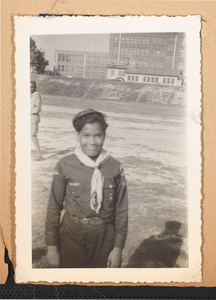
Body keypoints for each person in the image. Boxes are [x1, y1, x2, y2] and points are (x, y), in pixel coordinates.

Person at [45, 109, 128, 268]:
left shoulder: (115, 166)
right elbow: (53, 207)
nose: (92, 142)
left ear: (104, 136)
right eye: (86, 135)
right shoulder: (65, 164)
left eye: (98, 135)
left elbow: (122, 210)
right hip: (70, 237)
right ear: (78, 136)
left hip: (104, 237)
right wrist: (52, 247)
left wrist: (117, 248)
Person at [31, 81, 43, 161]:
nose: (30, 89)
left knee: (33, 135)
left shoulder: (36, 96)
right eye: (29, 87)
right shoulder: (31, 96)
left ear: (35, 88)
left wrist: (32, 112)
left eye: (32, 87)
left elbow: (38, 108)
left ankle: (39, 155)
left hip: (33, 116)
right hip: (30, 116)